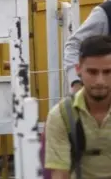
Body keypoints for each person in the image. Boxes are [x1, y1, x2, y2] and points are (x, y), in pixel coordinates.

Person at [44, 35, 111, 179]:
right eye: (92, 72)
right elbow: (60, 174)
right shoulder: (62, 116)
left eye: (107, 72)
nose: (100, 81)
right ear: (78, 69)